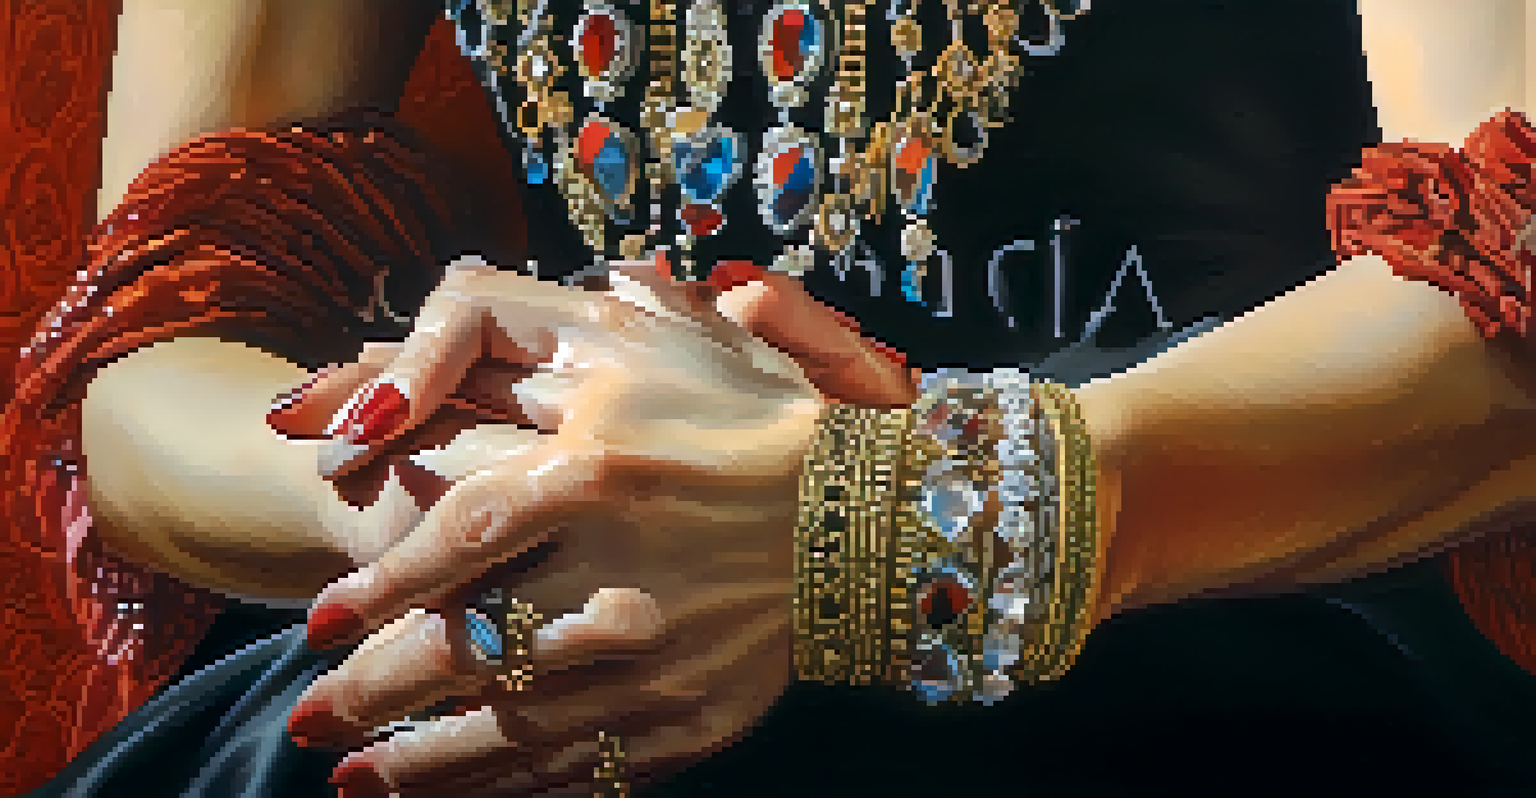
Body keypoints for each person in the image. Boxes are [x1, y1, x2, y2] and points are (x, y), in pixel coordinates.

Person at [14, 0, 1536, 796]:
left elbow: (1510, 278)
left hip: (1204, 596)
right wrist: (521, 502)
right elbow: (149, 361)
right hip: (545, 610)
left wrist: (857, 522)